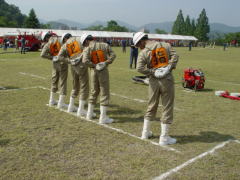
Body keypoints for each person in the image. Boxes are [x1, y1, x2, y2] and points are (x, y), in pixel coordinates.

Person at [133, 32, 179, 146]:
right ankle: (164, 138)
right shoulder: (165, 45)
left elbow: (139, 68)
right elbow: (175, 56)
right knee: (167, 107)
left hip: (153, 81)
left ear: (142, 41)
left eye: (139, 45)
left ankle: (145, 133)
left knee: (151, 105)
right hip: (166, 80)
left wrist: (152, 72)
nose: (139, 47)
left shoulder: (143, 52)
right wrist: (168, 67)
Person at [81, 33, 116, 124]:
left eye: (84, 43)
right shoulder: (104, 45)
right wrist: (106, 62)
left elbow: (85, 61)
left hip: (93, 71)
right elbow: (113, 55)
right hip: (103, 71)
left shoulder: (87, 48)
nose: (84, 45)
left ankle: (89, 114)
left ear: (86, 41)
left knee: (93, 92)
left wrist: (93, 65)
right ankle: (103, 117)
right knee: (104, 92)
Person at [57, 34, 90, 117]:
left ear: (65, 38)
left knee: (75, 86)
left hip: (72, 66)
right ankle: (81, 109)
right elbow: (87, 49)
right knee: (84, 86)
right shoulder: (79, 39)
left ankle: (71, 106)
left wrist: (69, 61)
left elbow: (59, 56)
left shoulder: (65, 45)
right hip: (81, 65)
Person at [40, 32, 68, 109]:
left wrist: (52, 57)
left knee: (54, 81)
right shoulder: (60, 40)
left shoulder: (48, 44)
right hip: (62, 63)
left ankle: (51, 100)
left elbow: (42, 54)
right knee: (62, 82)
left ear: (45, 38)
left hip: (55, 63)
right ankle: (61, 102)